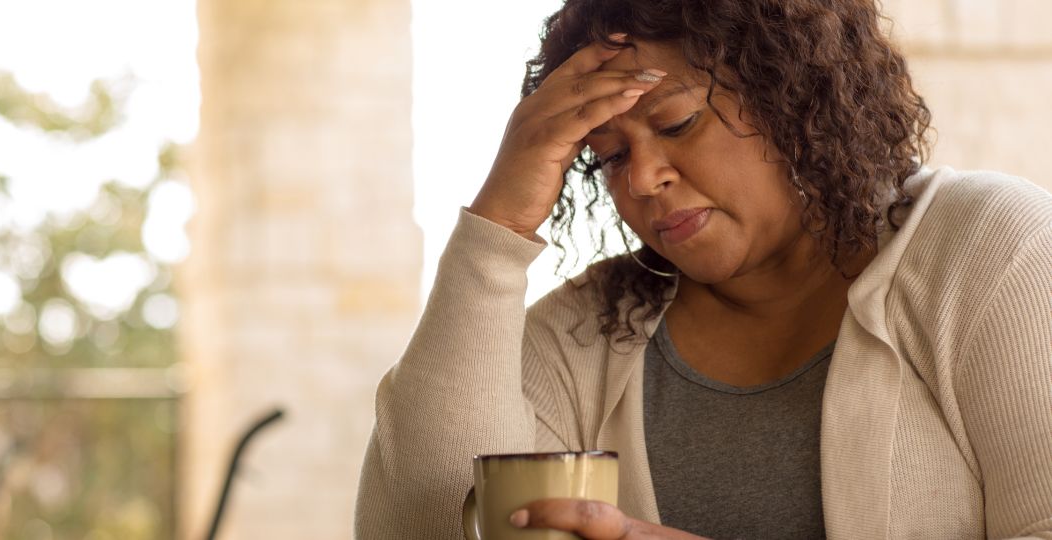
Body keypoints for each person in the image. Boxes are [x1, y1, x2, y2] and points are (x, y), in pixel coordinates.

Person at [356, 0, 1052, 538]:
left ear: (790, 93)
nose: (645, 180)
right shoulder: (584, 337)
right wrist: (498, 228)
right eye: (609, 157)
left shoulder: (990, 254)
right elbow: (424, 521)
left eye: (678, 122)